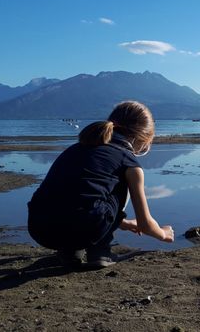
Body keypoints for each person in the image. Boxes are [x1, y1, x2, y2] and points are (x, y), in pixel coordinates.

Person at [27, 101, 174, 268]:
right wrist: (164, 234)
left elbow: (76, 196)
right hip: (86, 227)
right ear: (143, 137)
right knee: (121, 180)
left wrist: (124, 223)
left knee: (80, 189)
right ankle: (100, 251)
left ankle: (69, 251)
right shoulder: (128, 161)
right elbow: (145, 225)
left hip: (39, 229)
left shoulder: (75, 149)